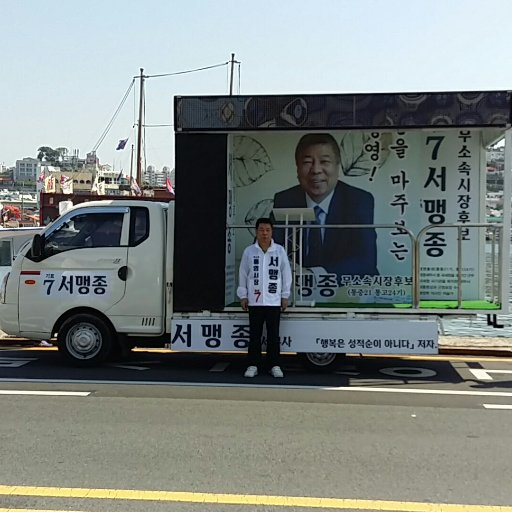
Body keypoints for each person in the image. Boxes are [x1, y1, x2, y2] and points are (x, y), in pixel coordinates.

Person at [272, 133, 378, 280]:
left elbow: (366, 260)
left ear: (337, 167)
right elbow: (266, 247)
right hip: (299, 293)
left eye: (324, 161)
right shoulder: (285, 200)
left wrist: (314, 275)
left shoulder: (358, 201)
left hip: (344, 291)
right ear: (297, 169)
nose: (316, 170)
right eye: (307, 162)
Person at [237, 217, 292, 378]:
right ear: (256, 231)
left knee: (273, 335)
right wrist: (243, 295)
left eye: (267, 230)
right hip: (255, 300)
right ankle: (253, 365)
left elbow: (286, 274)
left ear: (272, 231)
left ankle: (274, 365)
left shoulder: (279, 251)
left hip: (274, 300)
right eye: (261, 230)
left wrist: (285, 295)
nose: (264, 233)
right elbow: (243, 274)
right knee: (255, 334)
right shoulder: (249, 251)